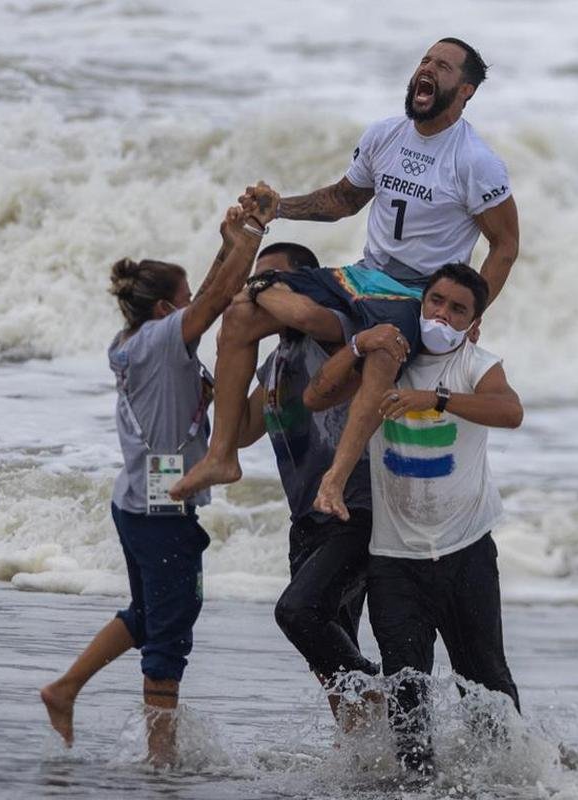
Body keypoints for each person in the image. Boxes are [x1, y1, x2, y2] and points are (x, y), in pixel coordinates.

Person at [171, 37, 520, 523]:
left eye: (442, 66)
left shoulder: (477, 162)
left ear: (465, 91)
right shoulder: (384, 134)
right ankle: (221, 455)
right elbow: (343, 200)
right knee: (241, 313)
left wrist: (473, 311)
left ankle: (334, 480)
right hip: (361, 276)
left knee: (381, 349)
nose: (426, 68)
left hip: (415, 293)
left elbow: (505, 245)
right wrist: (279, 208)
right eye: (424, 59)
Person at [39, 185, 278, 765]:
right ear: (167, 312)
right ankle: (160, 760)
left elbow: (209, 293)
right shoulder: (162, 342)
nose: (195, 304)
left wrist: (229, 244)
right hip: (160, 506)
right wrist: (253, 234)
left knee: (148, 615)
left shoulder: (134, 341)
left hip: (136, 500)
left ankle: (65, 689)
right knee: (171, 630)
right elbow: (217, 300)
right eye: (184, 299)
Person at [303, 263, 523, 775]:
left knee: (486, 682)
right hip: (395, 559)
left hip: (465, 550)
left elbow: (511, 412)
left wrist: (436, 399)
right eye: (436, 301)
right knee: (407, 692)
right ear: (420, 302)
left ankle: (510, 779)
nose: (442, 314)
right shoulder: (389, 359)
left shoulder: (476, 364)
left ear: (473, 323)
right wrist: (359, 344)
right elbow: (316, 395)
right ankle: (416, 783)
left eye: (458, 309)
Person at [228, 242, 403, 726]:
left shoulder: (336, 333)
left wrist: (253, 288)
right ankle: (360, 751)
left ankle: (381, 700)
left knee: (298, 612)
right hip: (306, 517)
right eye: (259, 281)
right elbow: (241, 431)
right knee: (326, 654)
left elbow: (306, 315)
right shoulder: (276, 361)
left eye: (275, 281)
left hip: (356, 509)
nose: (263, 293)